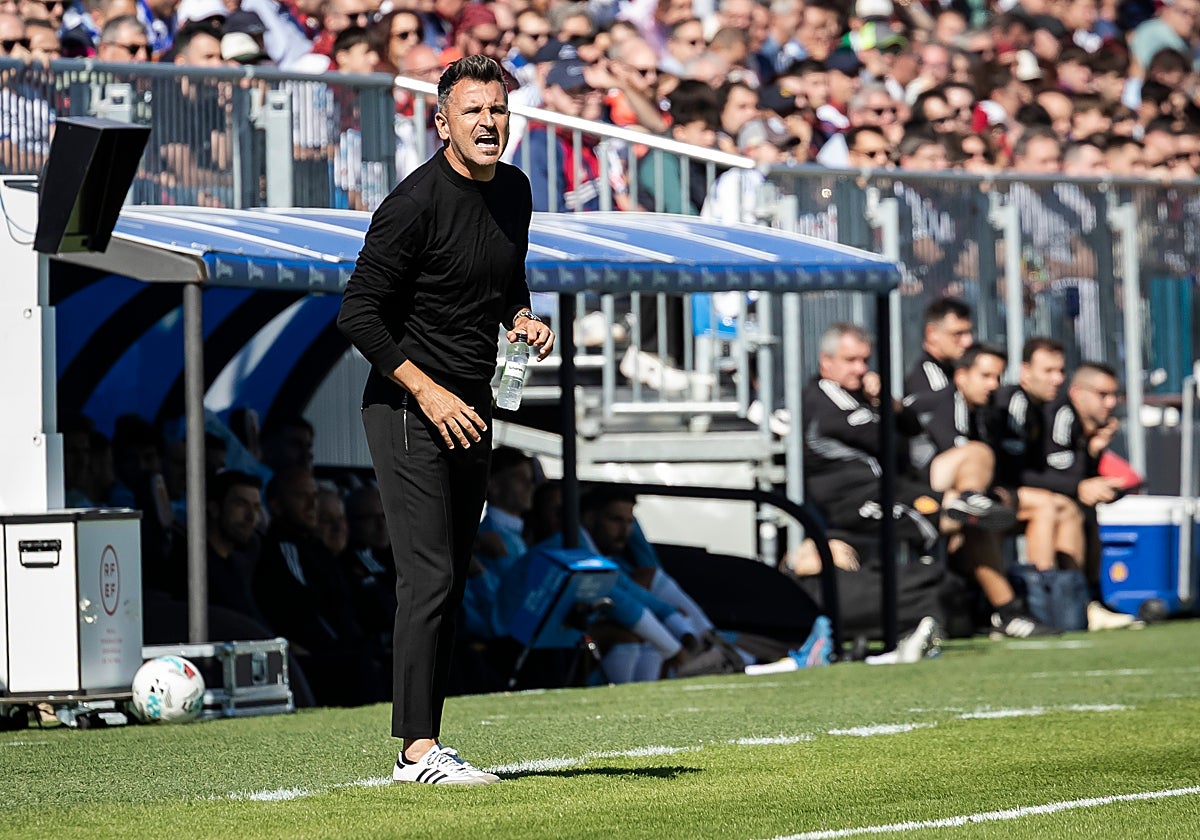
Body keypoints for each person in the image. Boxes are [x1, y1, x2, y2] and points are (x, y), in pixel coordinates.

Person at [337, 54, 555, 786]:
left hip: (475, 405)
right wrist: (426, 391)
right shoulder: (412, 204)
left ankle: (427, 741)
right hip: (406, 405)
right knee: (427, 576)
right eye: (473, 111)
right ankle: (417, 752)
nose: (489, 122)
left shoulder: (517, 192)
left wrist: (522, 318)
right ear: (442, 123)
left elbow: (507, 278)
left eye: (498, 109)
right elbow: (356, 312)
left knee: (452, 577)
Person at [904, 297, 974, 399]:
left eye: (969, 333)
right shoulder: (927, 379)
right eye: (957, 334)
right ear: (932, 333)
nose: (968, 342)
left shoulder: (952, 370)